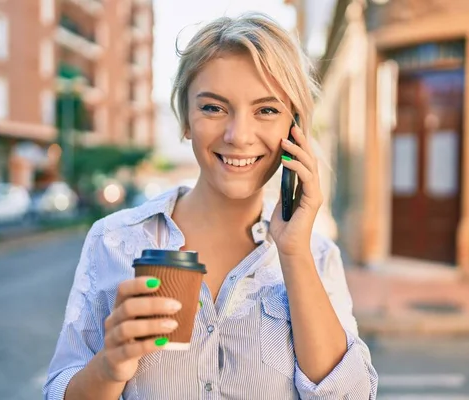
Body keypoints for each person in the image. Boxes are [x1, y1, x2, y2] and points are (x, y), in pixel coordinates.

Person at [44, 13, 378, 400]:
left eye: (266, 110)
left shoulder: (316, 257)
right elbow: (59, 390)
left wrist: (293, 253)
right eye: (213, 108)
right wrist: (109, 365)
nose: (239, 136)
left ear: (295, 128)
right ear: (185, 119)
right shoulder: (115, 240)